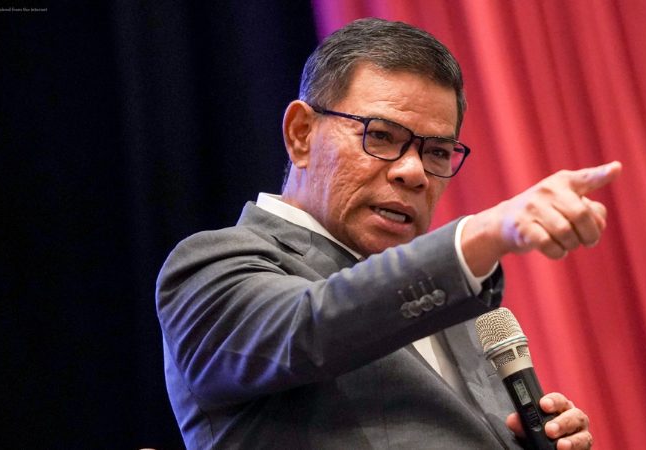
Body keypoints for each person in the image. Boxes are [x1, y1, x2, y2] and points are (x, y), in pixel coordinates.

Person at [157, 18, 620, 449]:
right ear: (301, 134)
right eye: (380, 135)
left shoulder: (452, 306)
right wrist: (482, 234)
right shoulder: (210, 267)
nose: (414, 172)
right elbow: (311, 325)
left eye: (437, 152)